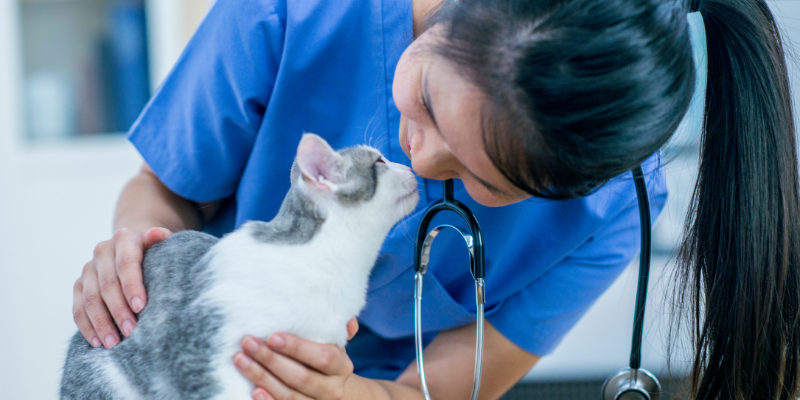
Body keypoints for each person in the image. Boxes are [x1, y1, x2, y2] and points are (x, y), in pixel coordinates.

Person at [70, 0, 800, 398]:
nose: (420, 156)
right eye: (424, 98)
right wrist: (138, 247)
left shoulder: (611, 208)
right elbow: (164, 189)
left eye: (486, 182)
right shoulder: (293, 11)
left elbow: (443, 388)